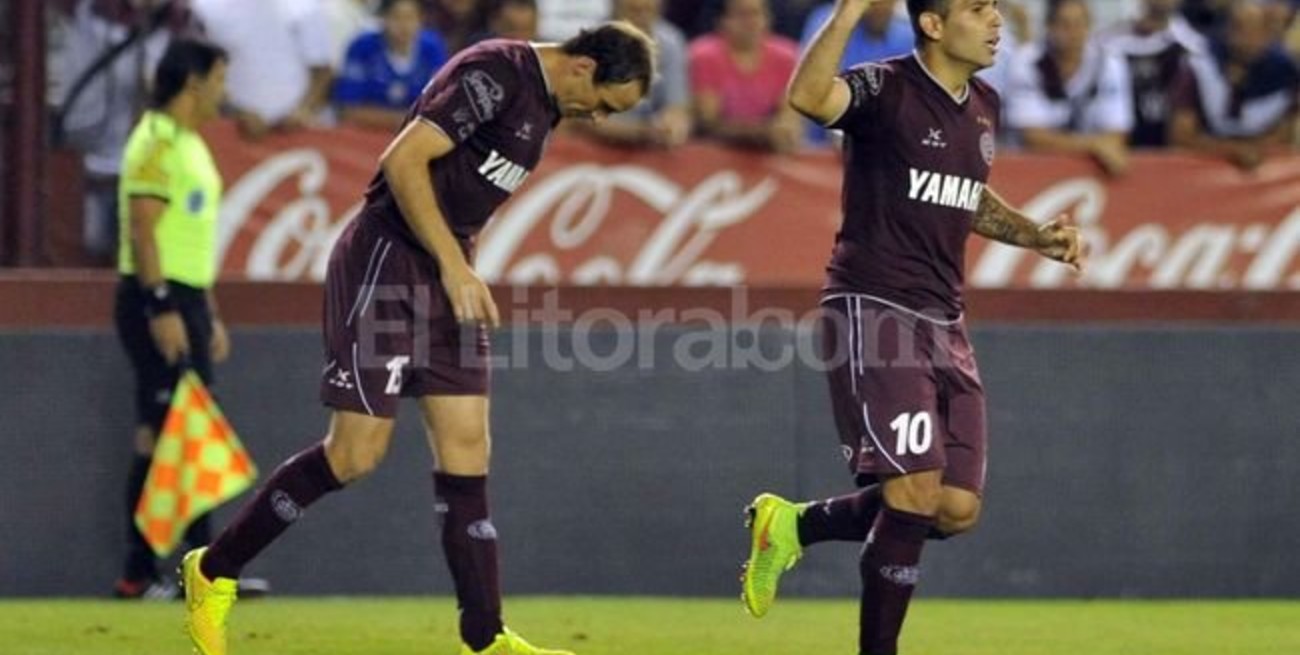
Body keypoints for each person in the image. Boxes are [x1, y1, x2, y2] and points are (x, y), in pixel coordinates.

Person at [179, 22, 655, 655]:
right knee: (354, 455)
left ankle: (484, 638)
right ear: (583, 66)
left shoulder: (548, 103)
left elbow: (461, 189)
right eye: (602, 102)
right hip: (388, 261)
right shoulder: (493, 75)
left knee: (468, 451)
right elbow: (402, 161)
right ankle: (213, 571)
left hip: (446, 275)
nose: (597, 118)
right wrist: (454, 267)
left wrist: (457, 267)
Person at [739, 2, 1085, 655]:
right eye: (977, 9)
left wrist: (1035, 234)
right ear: (931, 23)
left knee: (953, 507)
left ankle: (791, 524)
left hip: (944, 319)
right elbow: (809, 97)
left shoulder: (983, 103)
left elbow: (968, 193)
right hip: (875, 308)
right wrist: (848, 10)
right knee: (913, 490)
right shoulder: (885, 87)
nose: (995, 21)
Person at [111, 37, 231, 600]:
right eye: (219, 80)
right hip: (155, 299)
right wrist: (161, 305)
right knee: (179, 438)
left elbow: (188, 239)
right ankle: (175, 573)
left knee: (170, 436)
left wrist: (207, 312)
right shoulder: (156, 140)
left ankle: (163, 572)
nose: (222, 92)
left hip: (186, 300)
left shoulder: (189, 143)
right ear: (194, 82)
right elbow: (144, 228)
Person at [1005, 0, 1134, 175]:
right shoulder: (1027, 61)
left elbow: (1117, 132)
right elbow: (1032, 137)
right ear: (1049, 26)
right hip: (1031, 170)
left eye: (1080, 24)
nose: (1073, 32)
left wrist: (1101, 146)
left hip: (1092, 171)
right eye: (1064, 24)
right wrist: (1094, 145)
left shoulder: (1109, 63)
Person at [1168, 0, 1298, 170]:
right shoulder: (1199, 67)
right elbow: (1181, 135)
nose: (1248, 39)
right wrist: (1233, 150)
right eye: (1240, 29)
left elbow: (1286, 134)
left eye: (1258, 30)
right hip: (1200, 172)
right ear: (1228, 31)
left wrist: (1255, 150)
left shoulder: (1286, 73)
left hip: (1263, 173)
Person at [571, 0, 692, 148]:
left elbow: (677, 107)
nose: (640, 4)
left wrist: (672, 125)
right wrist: (641, 132)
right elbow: (583, 117)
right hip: (594, 150)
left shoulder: (672, 42)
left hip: (650, 152)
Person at [689, 0, 803, 152]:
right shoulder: (704, 55)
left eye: (757, 13)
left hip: (770, 155)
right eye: (742, 15)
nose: (752, 22)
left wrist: (784, 130)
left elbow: (790, 118)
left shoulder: (787, 56)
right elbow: (708, 122)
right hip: (715, 153)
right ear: (721, 21)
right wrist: (763, 132)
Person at [334, 0, 451, 131]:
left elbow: (441, 109)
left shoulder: (433, 48)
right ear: (383, 19)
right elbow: (347, 109)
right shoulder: (363, 47)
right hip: (365, 133)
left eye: (410, 17)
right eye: (396, 17)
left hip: (413, 137)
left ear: (421, 19)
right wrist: (400, 120)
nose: (404, 25)